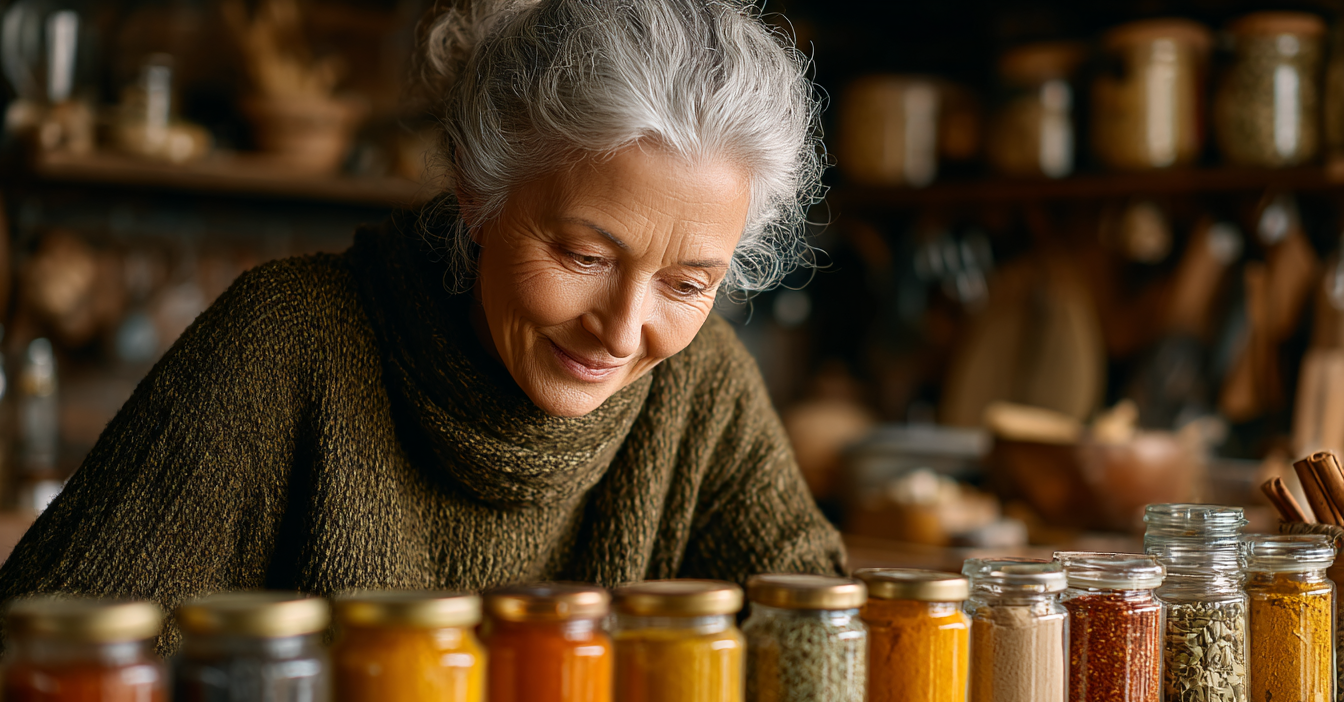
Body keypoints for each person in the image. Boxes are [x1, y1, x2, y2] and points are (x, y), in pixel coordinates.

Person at [0, 0, 843, 651]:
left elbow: (817, 638)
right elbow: (38, 655)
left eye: (687, 283)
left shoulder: (703, 387)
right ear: (481, 196)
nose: (623, 333)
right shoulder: (288, 343)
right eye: (585, 256)